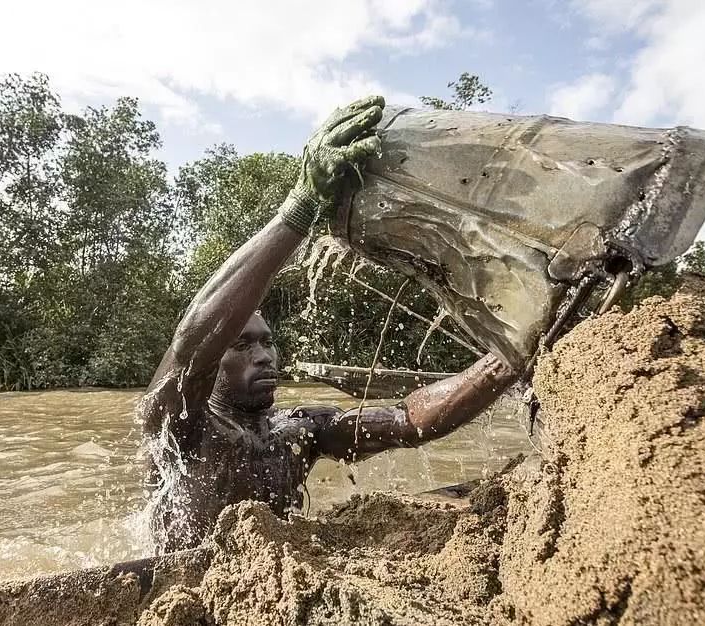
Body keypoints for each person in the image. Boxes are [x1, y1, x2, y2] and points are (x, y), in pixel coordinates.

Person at [140, 96, 517, 553]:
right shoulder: (184, 428)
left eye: (266, 343)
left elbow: (408, 419)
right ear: (212, 365)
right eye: (240, 345)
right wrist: (298, 210)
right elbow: (192, 343)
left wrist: (505, 359)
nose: (263, 355)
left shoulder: (298, 432)